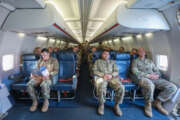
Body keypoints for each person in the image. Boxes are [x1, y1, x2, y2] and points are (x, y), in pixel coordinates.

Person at [132, 48, 177, 118]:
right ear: (138, 53)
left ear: (145, 52)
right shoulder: (135, 61)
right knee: (150, 86)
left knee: (173, 87)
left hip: (154, 78)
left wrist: (157, 75)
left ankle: (158, 102)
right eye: (140, 51)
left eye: (143, 51)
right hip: (144, 78)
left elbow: (157, 70)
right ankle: (148, 105)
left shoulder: (150, 61)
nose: (142, 52)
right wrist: (148, 75)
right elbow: (134, 71)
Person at [93, 50, 125, 116]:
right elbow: (94, 70)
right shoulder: (97, 61)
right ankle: (101, 104)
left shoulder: (112, 62)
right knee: (101, 87)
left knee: (121, 87)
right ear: (101, 55)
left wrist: (111, 75)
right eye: (104, 54)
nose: (106, 55)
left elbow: (116, 71)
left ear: (109, 56)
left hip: (112, 78)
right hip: (101, 77)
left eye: (107, 54)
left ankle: (116, 105)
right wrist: (103, 75)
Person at [27, 48, 59, 112]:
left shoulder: (54, 60)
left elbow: (56, 71)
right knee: (29, 84)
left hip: (49, 78)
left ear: (48, 54)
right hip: (39, 77)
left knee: (44, 85)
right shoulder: (40, 60)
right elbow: (36, 69)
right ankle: (35, 101)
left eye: (45, 55)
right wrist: (32, 75)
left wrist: (49, 74)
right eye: (42, 55)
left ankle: (46, 102)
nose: (43, 56)